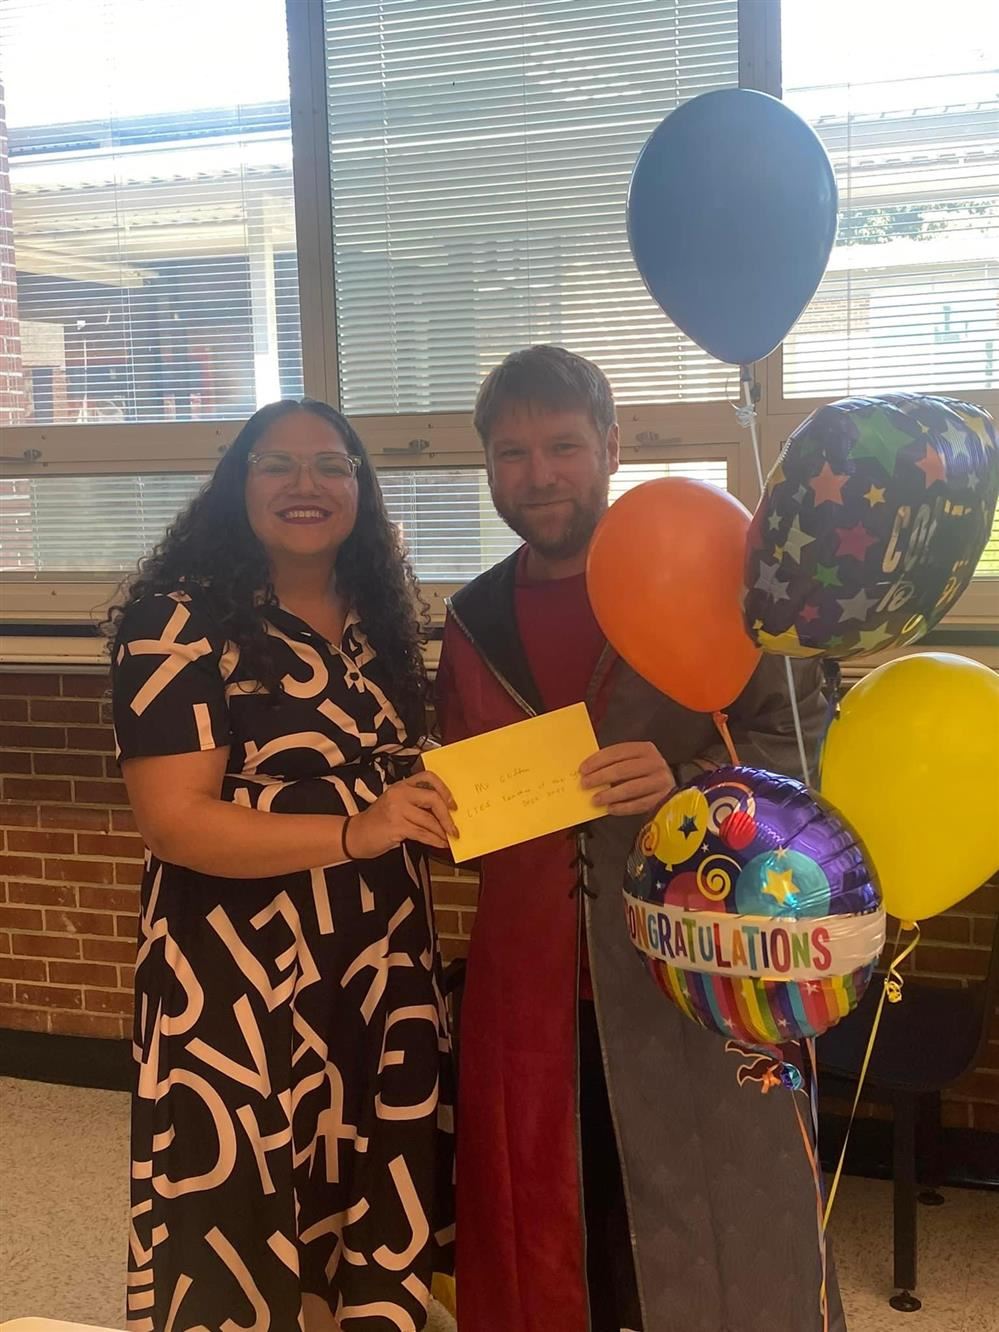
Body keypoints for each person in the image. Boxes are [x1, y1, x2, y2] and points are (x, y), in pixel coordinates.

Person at [436, 346, 846, 1332]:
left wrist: (693, 784)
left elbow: (802, 743)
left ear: (612, 446)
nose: (538, 474)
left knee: (726, 1229)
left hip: (699, 967)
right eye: (511, 452)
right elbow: (470, 785)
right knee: (549, 1233)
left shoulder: (711, 576)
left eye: (563, 445)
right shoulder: (470, 618)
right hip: (532, 985)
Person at [110, 398, 456, 1332]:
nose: (307, 485)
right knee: (238, 1210)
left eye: (332, 466)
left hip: (379, 965)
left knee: (366, 1199)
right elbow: (174, 824)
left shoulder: (380, 617)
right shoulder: (173, 621)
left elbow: (392, 777)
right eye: (277, 465)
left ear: (359, 488)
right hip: (237, 976)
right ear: (238, 484)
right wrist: (355, 832)